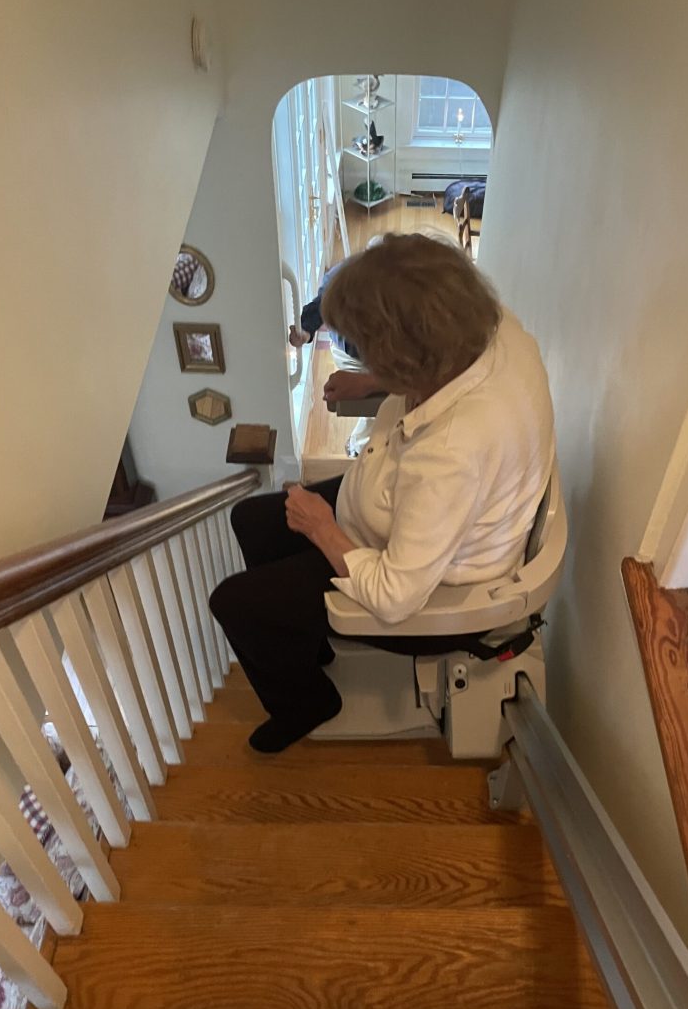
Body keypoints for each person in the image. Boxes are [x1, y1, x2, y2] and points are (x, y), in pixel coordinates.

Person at [210, 232, 555, 753]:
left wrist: (322, 528)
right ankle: (305, 641)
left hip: (434, 588)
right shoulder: (495, 328)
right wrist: (375, 381)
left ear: (405, 357)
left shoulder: (452, 452)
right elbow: (436, 361)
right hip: (406, 508)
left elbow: (395, 597)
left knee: (235, 603)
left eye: (369, 349)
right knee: (251, 519)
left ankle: (306, 703)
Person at [289, 242, 384, 455]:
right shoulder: (340, 278)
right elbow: (320, 306)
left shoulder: (409, 294)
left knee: (383, 400)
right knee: (375, 402)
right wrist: (305, 331)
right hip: (351, 353)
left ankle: (361, 443)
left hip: (390, 350)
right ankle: (360, 445)